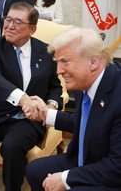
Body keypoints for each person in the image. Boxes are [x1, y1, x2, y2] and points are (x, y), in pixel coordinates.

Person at [0, 2, 63, 191]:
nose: (9, 25)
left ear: (32, 29)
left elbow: (54, 87)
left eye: (17, 21)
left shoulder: (46, 51)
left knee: (13, 147)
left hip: (27, 119)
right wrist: (24, 98)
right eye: (7, 19)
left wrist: (52, 106)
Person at [23, 27, 121, 191]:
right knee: (34, 170)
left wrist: (65, 178)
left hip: (112, 173)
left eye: (65, 61)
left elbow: (117, 166)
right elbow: (87, 122)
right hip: (86, 159)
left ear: (93, 62)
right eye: (57, 62)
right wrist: (46, 115)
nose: (59, 71)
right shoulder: (84, 81)